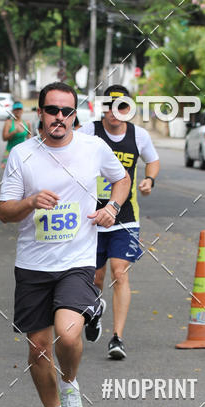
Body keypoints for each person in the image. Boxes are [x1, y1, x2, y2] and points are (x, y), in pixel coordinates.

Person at [0, 82, 130, 407]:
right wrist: (30, 202)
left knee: (68, 333)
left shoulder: (93, 147)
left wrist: (112, 208)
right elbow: (4, 212)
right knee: (39, 347)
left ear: (75, 115)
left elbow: (122, 180)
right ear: (40, 113)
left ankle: (70, 383)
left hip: (77, 259)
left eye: (66, 111)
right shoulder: (21, 155)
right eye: (52, 110)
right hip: (33, 264)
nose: (60, 117)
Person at [79, 84, 160, 359]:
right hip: (92, 215)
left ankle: (117, 338)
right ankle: (94, 310)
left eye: (121, 106)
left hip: (125, 215)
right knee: (96, 277)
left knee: (119, 272)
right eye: (109, 106)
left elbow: (153, 161)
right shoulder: (89, 131)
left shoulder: (139, 135)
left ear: (129, 109)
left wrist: (149, 179)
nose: (115, 112)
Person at [1, 101, 30, 167]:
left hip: (22, 152)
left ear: (22, 110)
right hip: (10, 152)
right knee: (10, 174)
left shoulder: (27, 123)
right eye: (16, 109)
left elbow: (29, 136)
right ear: (13, 111)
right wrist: (14, 131)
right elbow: (4, 138)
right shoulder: (8, 123)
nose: (18, 111)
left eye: (19, 109)